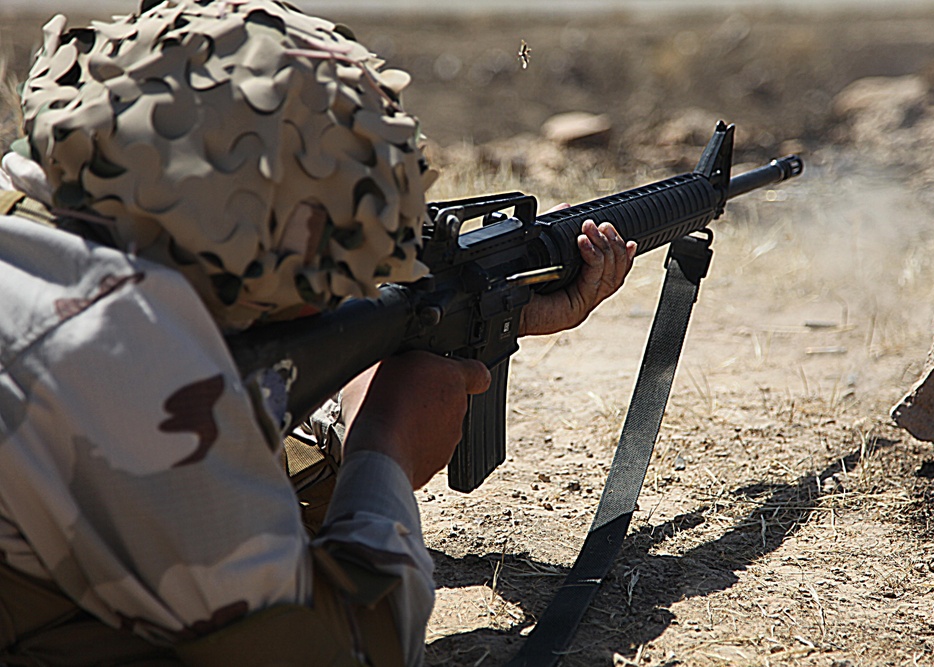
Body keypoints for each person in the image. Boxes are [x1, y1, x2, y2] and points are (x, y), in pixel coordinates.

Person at [0, 1, 636, 665]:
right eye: (325, 262)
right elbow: (353, 651)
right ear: (240, 228)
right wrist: (383, 446)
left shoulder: (52, 225)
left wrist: (491, 315)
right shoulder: (113, 353)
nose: (337, 294)